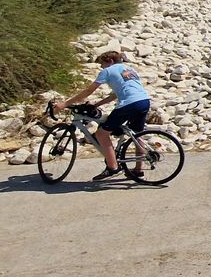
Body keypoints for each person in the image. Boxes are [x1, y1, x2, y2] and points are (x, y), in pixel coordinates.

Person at [61, 50, 152, 181]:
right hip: (144, 101)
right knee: (137, 134)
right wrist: (97, 104)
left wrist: (65, 104)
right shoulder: (129, 69)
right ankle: (138, 169)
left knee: (101, 134)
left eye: (102, 64)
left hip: (129, 104)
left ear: (110, 61)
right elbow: (116, 94)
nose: (101, 68)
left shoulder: (108, 71)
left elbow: (88, 90)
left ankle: (112, 167)